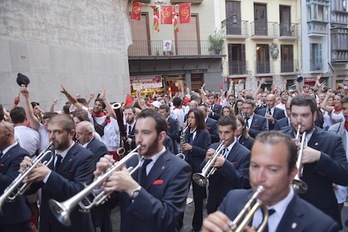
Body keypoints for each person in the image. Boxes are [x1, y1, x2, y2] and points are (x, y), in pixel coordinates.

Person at [202, 131, 340, 232]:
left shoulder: (321, 226)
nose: (259, 177)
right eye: (255, 166)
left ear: (292, 173)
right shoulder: (232, 200)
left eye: (273, 169)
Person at [94, 109, 191, 232]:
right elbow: (110, 203)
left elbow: (168, 219)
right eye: (136, 132)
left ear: (161, 136)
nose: (138, 139)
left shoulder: (180, 168)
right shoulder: (130, 161)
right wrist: (100, 184)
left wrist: (132, 188)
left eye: (145, 133)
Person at [281, 94, 348, 229]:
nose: (298, 120)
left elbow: (345, 176)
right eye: (294, 115)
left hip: (320, 213)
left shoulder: (331, 140)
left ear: (315, 116)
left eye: (305, 115)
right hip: (286, 212)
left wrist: (320, 157)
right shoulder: (279, 137)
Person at [19, 114, 95, 232]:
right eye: (49, 132)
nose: (51, 137)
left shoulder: (85, 156)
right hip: (48, 222)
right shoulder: (48, 153)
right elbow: (30, 190)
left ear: (71, 134)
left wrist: (48, 175)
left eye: (57, 132)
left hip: (73, 223)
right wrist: (26, 175)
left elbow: (79, 191)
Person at [203, 116, 250, 214]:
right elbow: (201, 172)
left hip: (232, 204)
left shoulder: (245, 153)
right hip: (213, 201)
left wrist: (225, 165)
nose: (223, 136)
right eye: (220, 132)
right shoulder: (213, 147)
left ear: (235, 132)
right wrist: (205, 161)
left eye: (227, 132)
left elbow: (244, 182)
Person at [75, 121, 114, 232]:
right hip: (86, 188)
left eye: (80, 133)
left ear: (90, 134)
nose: (76, 136)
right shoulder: (80, 144)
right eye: (76, 133)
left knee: (103, 220)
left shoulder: (99, 147)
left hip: (97, 189)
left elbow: (96, 168)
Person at [0, 121, 33, 232]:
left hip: (12, 217)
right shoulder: (2, 153)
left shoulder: (20, 154)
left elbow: (10, 183)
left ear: (8, 135)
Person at [182, 108, 211, 232]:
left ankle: (197, 225)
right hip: (186, 167)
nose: (190, 120)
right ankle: (178, 221)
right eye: (189, 117)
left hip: (198, 168)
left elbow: (206, 151)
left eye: (192, 118)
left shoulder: (204, 133)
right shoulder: (186, 131)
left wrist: (192, 148)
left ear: (198, 119)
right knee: (181, 195)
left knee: (198, 200)